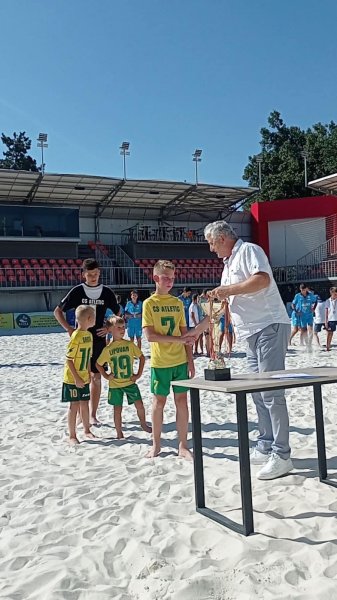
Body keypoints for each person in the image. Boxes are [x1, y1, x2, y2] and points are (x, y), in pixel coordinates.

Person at [200, 220, 292, 480]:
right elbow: (228, 303)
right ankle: (265, 444)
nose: (210, 249)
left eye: (210, 243)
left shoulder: (249, 250)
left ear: (221, 238)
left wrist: (226, 290)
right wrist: (198, 331)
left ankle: (282, 454)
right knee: (257, 394)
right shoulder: (228, 264)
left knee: (272, 393)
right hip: (249, 333)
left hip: (269, 325)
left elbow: (261, 280)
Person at [54, 258, 119, 425]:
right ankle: (77, 414)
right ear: (83, 275)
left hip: (98, 340)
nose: (93, 277)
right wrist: (69, 329)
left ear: (99, 273)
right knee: (80, 377)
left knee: (97, 377)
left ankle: (92, 414)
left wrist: (108, 328)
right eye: (90, 274)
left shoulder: (106, 292)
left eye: (96, 274)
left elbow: (118, 315)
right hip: (81, 342)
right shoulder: (77, 291)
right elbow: (57, 311)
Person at [142, 260, 195, 460]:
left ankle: (183, 445)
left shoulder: (178, 303)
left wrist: (190, 360)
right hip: (160, 362)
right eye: (166, 278)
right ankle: (156, 445)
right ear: (156, 278)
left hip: (180, 361)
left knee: (182, 402)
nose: (170, 282)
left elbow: (185, 334)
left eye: (172, 278)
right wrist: (178, 339)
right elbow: (150, 336)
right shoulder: (149, 303)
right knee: (158, 403)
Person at [95, 316, 151, 439]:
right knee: (117, 409)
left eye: (124, 327)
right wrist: (105, 375)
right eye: (118, 327)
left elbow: (142, 358)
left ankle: (143, 424)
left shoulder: (130, 345)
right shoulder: (108, 349)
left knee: (140, 405)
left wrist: (138, 374)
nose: (122, 330)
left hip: (130, 382)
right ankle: (119, 432)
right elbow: (98, 364)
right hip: (115, 385)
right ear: (110, 330)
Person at [61, 305, 97, 445]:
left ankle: (87, 430)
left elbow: (88, 357)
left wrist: (88, 372)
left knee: (85, 403)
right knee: (74, 405)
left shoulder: (89, 335)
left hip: (84, 376)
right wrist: (76, 378)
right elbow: (69, 359)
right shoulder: (75, 335)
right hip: (72, 378)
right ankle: (72, 435)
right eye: (93, 317)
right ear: (89, 319)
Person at [289, 284, 316, 348]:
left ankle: (304, 343)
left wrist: (313, 308)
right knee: (296, 329)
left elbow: (315, 301)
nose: (303, 291)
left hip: (307, 315)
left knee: (307, 329)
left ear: (306, 289)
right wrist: (296, 311)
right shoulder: (298, 296)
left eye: (304, 290)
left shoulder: (310, 295)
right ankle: (289, 340)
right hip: (297, 314)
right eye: (301, 290)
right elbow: (293, 304)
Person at [325, 286, 337, 351]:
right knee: (330, 333)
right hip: (331, 319)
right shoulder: (328, 301)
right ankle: (328, 346)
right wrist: (326, 321)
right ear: (331, 293)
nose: (336, 295)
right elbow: (326, 312)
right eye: (335, 294)